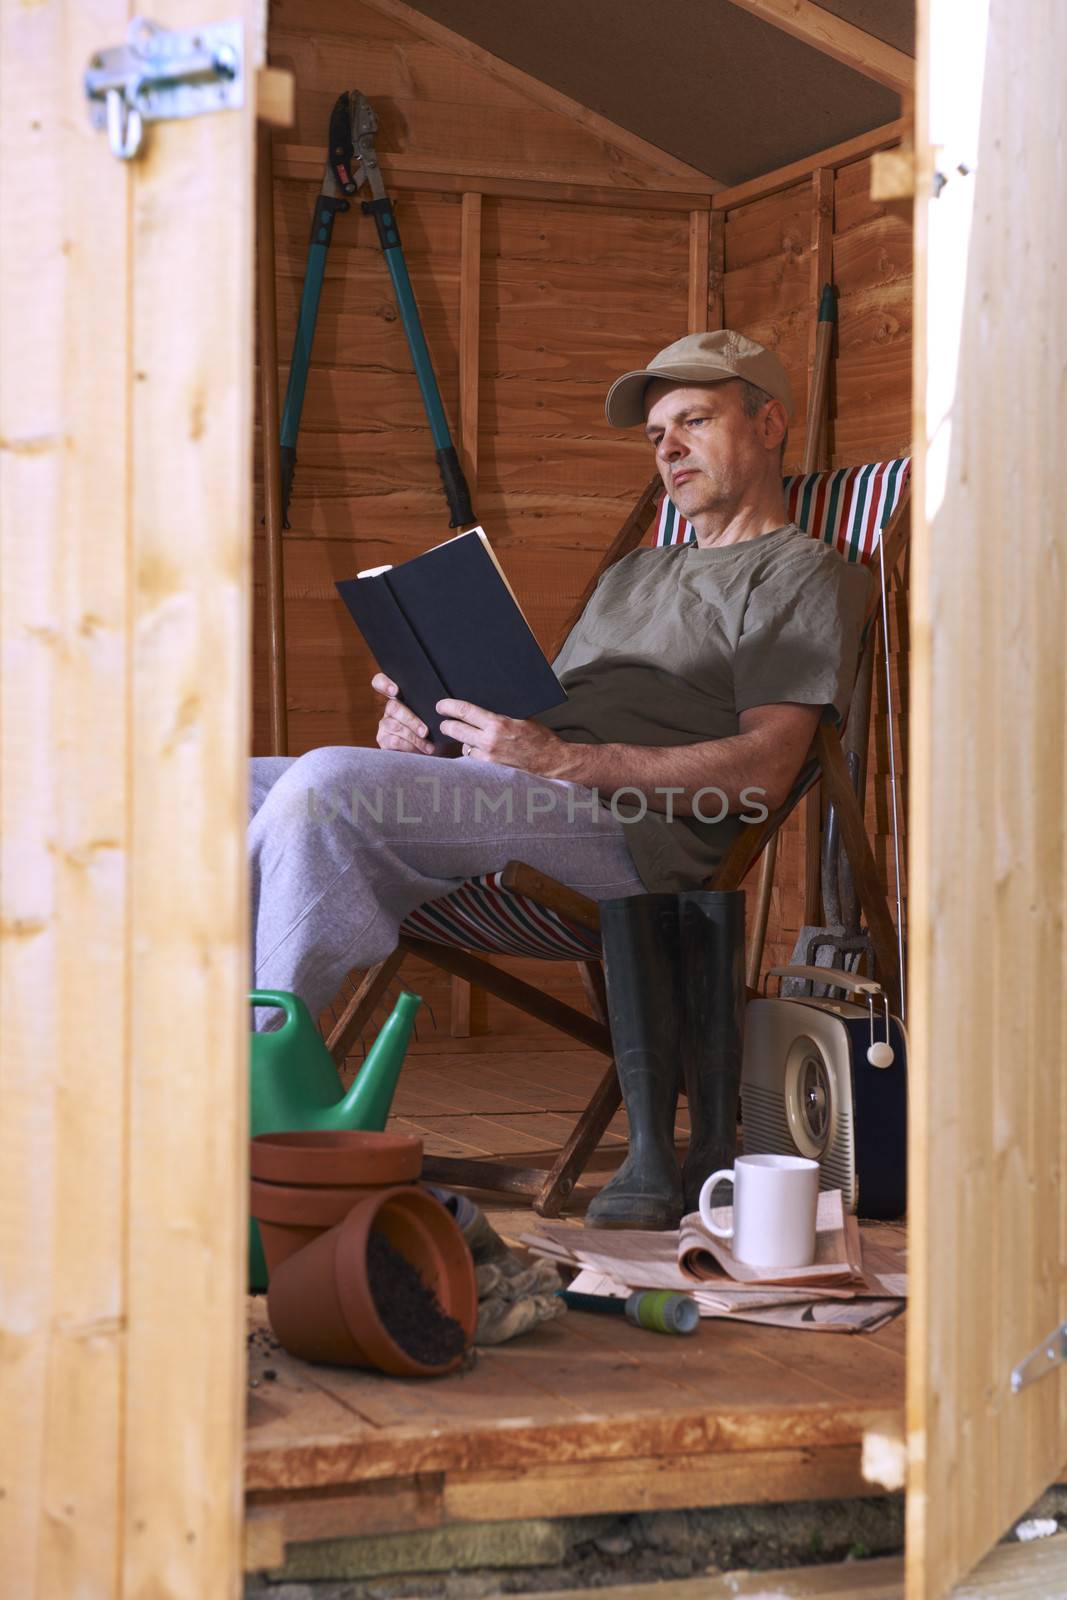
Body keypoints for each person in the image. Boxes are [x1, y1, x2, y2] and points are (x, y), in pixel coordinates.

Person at [249, 329, 870, 1227]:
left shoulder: (803, 572)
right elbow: (540, 732)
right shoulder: (633, 574)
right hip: (527, 794)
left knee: (330, 786)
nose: (669, 449)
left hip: (632, 832)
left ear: (769, 424)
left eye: (694, 420)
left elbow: (763, 774)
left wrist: (560, 761)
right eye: (657, 434)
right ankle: (192, 1053)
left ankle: (253, 1090)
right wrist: (432, 731)